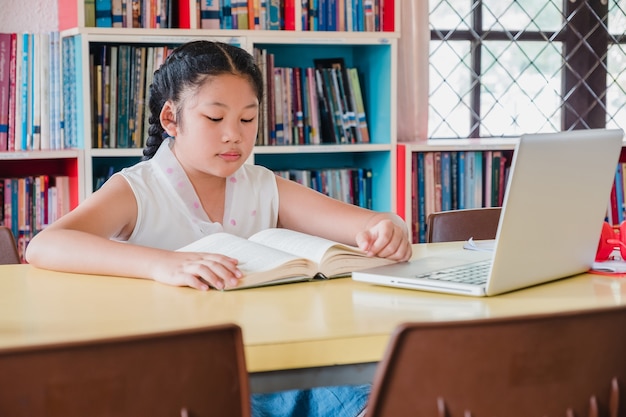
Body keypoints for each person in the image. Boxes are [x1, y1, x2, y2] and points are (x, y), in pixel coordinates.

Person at [25, 40, 412, 416]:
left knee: (383, 390)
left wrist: (388, 225)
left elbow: (367, 222)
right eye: (214, 118)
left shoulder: (262, 184)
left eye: (248, 119)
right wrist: (164, 265)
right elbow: (45, 245)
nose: (235, 135)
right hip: (180, 370)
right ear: (170, 118)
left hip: (270, 358)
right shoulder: (137, 189)